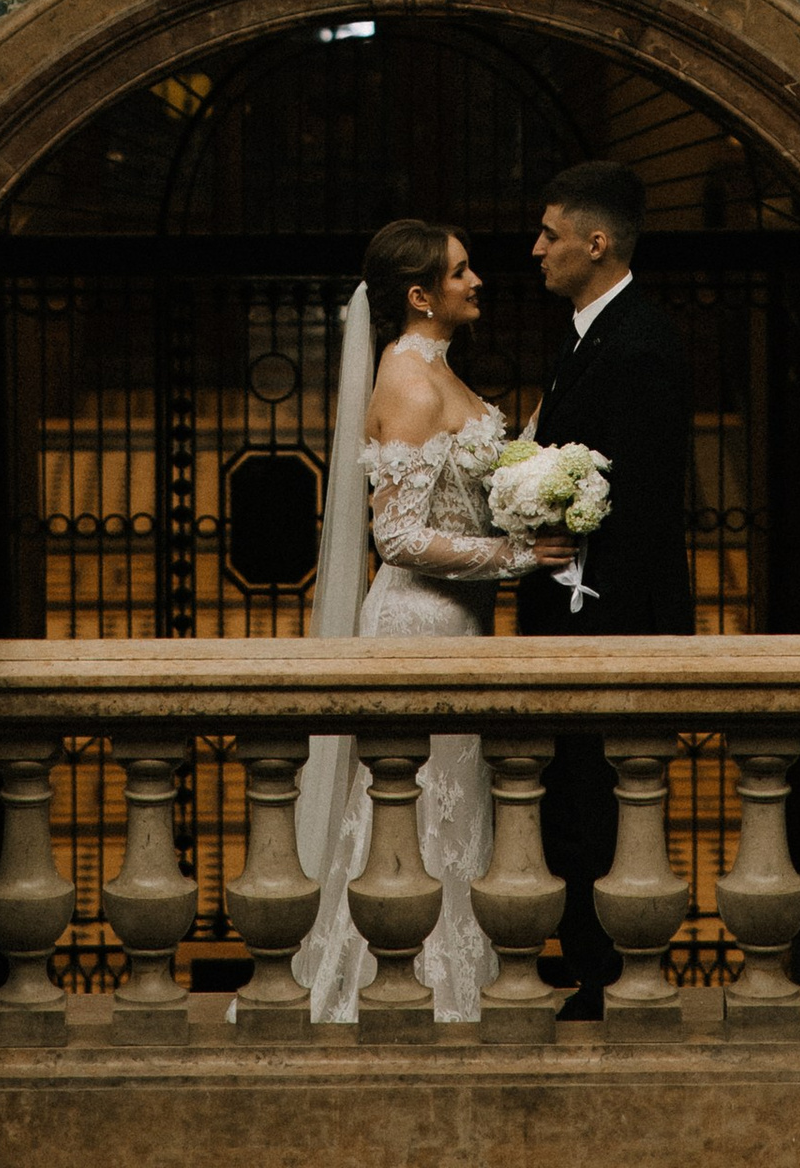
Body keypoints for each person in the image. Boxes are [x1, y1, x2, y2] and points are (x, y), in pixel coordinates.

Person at [291, 218, 573, 1025]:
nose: (477, 279)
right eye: (460, 272)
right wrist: (519, 556)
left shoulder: (437, 368)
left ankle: (455, 987)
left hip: (460, 628)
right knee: (413, 818)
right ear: (419, 296)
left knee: (450, 812)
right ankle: (404, 993)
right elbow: (400, 537)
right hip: (419, 626)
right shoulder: (410, 381)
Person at [515, 160, 695, 1019]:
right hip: (571, 617)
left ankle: (607, 975)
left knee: (604, 803)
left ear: (597, 242)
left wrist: (589, 584)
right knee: (573, 801)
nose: (536, 249)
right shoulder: (589, 336)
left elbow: (648, 508)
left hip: (611, 622)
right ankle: (586, 957)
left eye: (551, 234)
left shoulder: (642, 343)